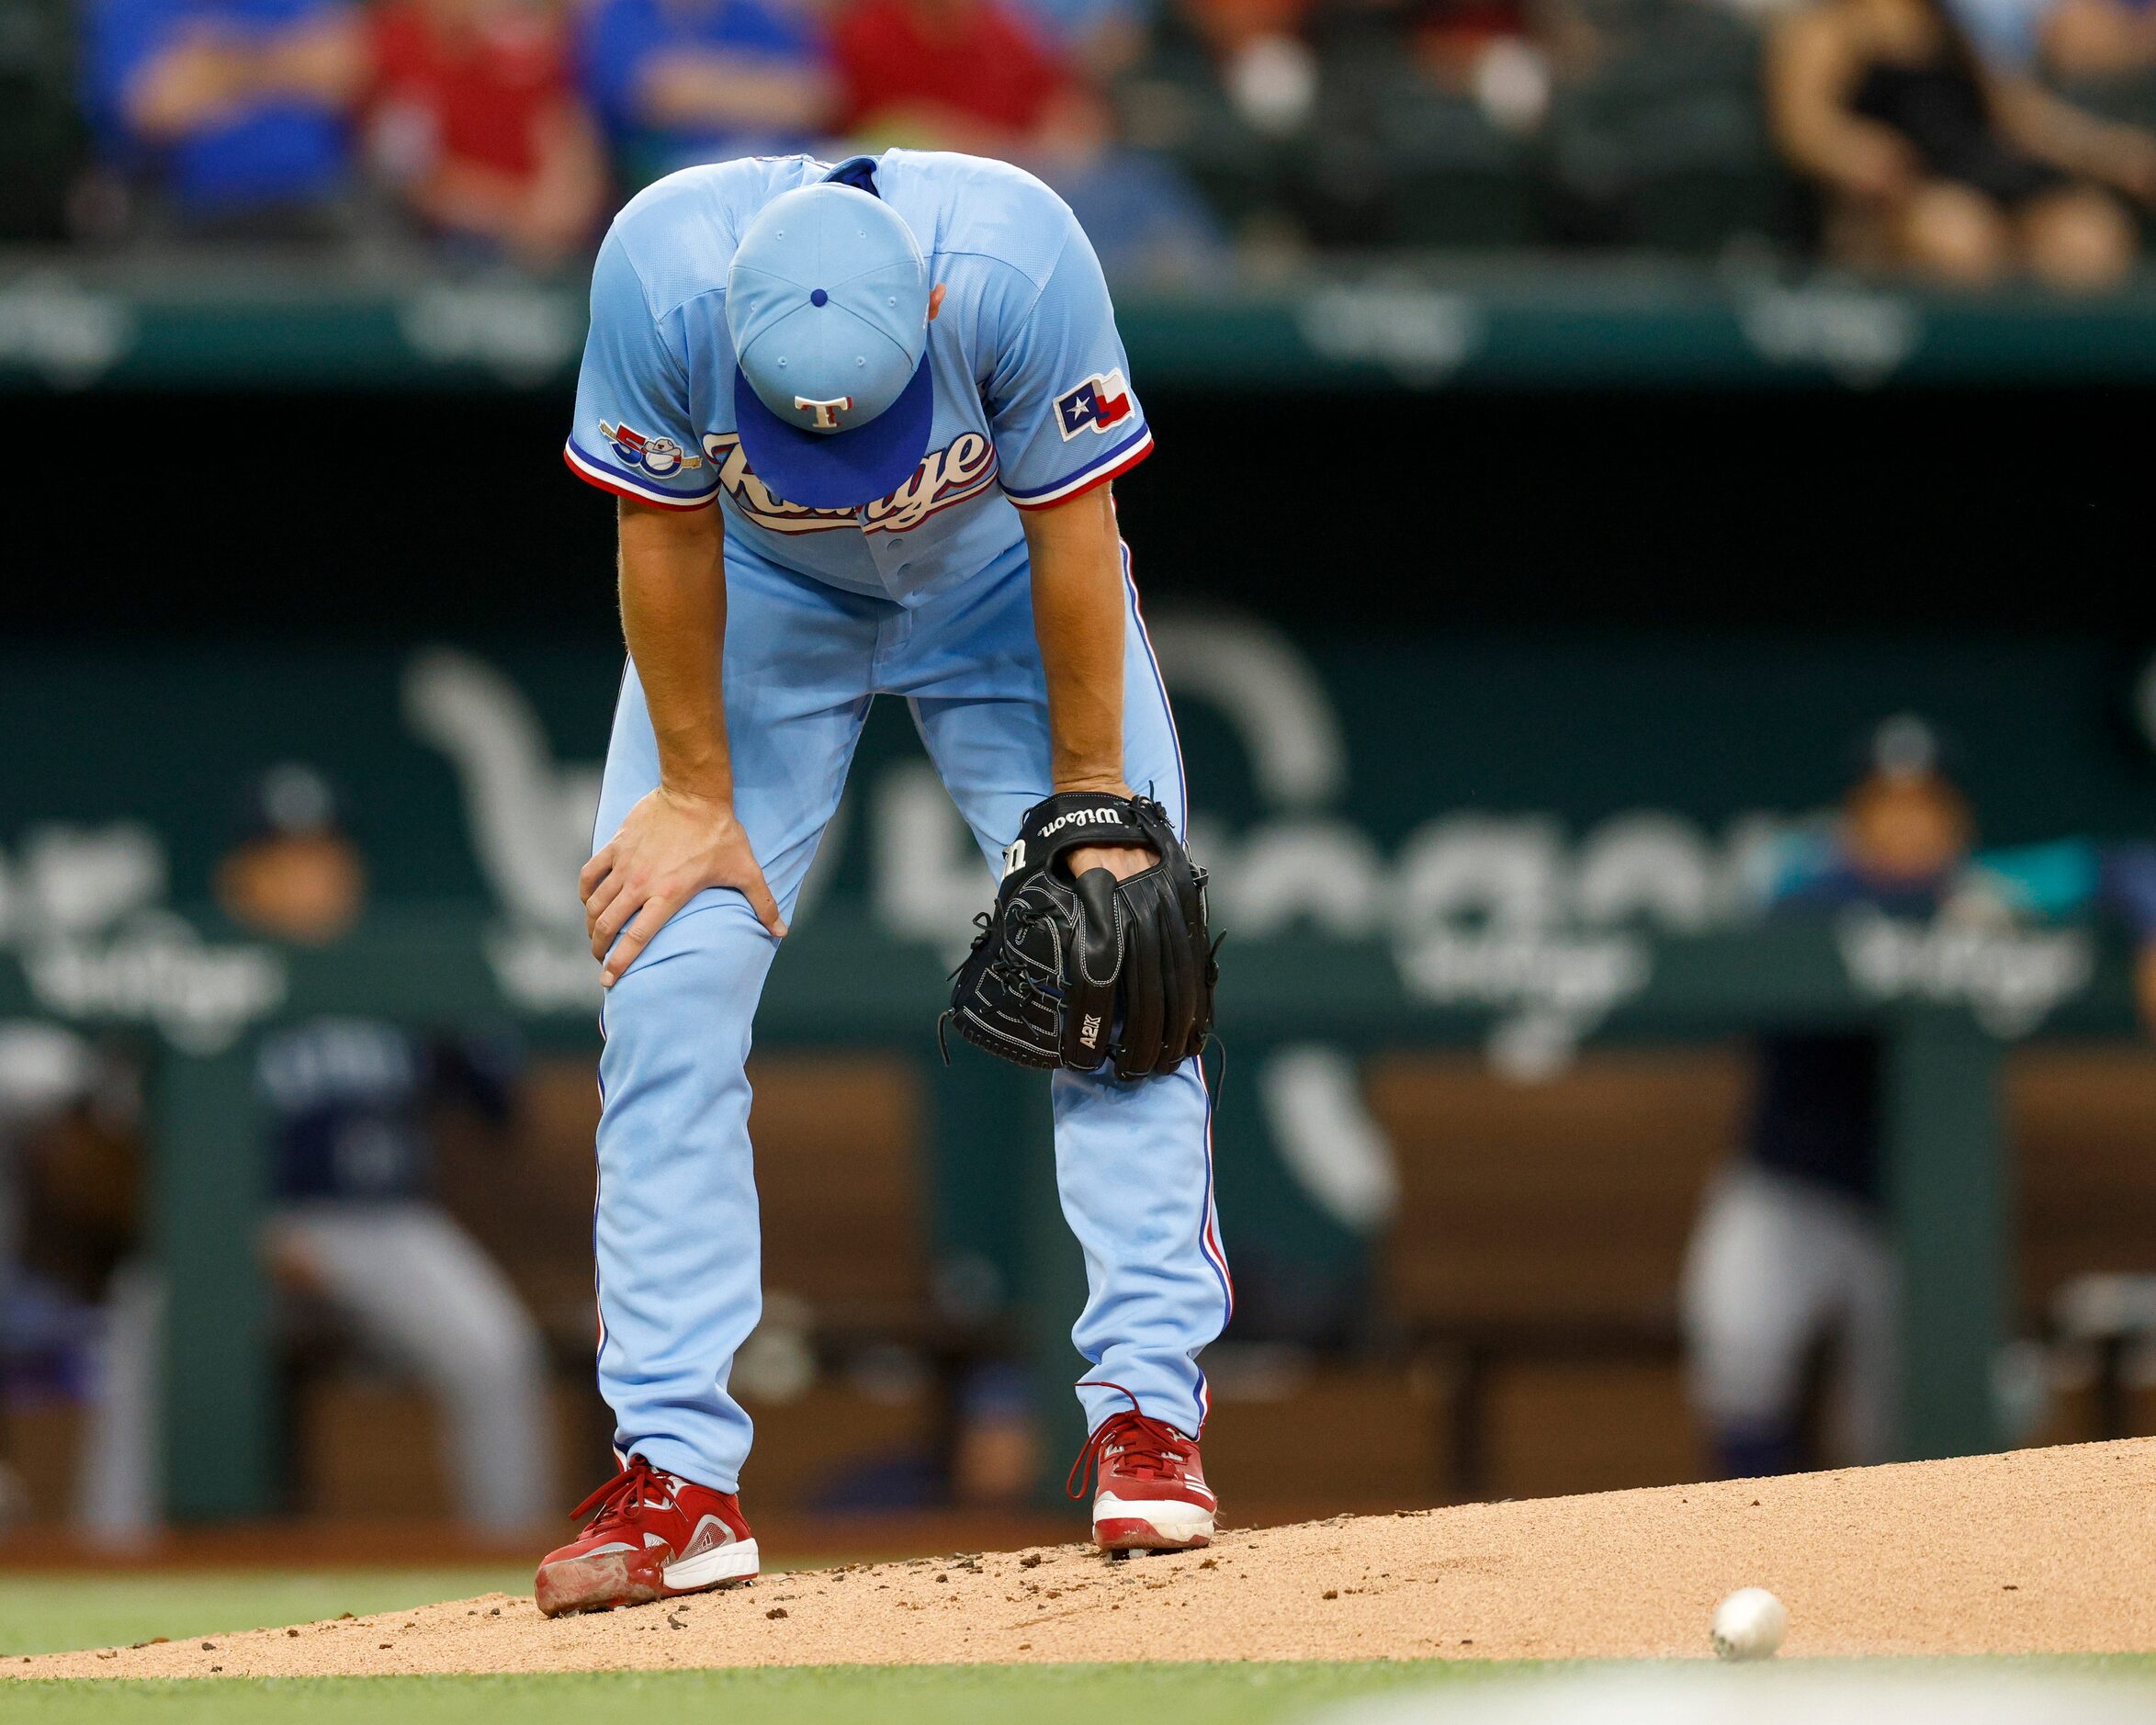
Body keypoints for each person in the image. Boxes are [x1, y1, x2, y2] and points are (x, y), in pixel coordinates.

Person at [543, 148, 1228, 1614]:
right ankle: (677, 1475)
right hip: (759, 600)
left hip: (994, 580)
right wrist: (690, 796)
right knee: (663, 984)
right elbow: (658, 529)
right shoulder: (661, 274)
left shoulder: (1013, 258)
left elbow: (1074, 531)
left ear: (923, 302)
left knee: (1122, 955)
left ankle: (1146, 1421)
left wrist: (1093, 803)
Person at [215, 764, 556, 1535]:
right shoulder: (204, 974)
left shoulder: (395, 975)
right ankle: (118, 1553)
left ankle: (511, 1555)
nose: (312, 880)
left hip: (386, 1227)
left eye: (326, 858)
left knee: (495, 1351)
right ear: (241, 880)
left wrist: (461, 1020)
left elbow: (501, 1102)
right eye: (286, 862)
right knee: (150, 1332)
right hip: (247, 1231)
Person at [1767, 0, 2156, 288]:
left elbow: (2022, 119)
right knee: (1956, 235)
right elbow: (1805, 131)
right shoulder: (1824, 30)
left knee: (2087, 235)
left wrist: (2114, 154)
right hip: (1897, 196)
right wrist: (1853, 153)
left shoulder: (1954, 30)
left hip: (1981, 173)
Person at [81, 0, 368, 236]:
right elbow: (156, 108)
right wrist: (288, 62)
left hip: (317, 204)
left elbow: (342, 71)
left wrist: (218, 62)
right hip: (182, 212)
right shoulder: (132, 7)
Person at [367, 0, 607, 266]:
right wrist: (518, 214)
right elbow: (415, 180)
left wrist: (561, 206)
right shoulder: (396, 52)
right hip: (440, 243)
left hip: (543, 240)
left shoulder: (524, 53)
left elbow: (565, 137)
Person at [576, 0, 832, 190]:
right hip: (672, 175)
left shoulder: (751, 12)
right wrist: (757, 81)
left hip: (784, 161)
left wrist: (703, 82)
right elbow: (660, 94)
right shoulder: (622, 13)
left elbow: (814, 99)